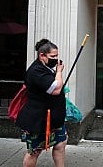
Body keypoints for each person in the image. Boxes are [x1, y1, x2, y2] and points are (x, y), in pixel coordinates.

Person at [16, 39, 67, 167]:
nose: (55, 59)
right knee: (34, 151)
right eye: (52, 56)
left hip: (54, 118)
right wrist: (59, 72)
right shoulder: (36, 71)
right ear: (42, 55)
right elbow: (55, 89)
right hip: (38, 120)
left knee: (61, 143)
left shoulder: (47, 68)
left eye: (57, 56)